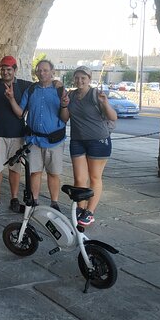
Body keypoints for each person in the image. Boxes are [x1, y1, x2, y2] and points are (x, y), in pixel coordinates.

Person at [5, 59, 68, 210]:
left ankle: (54, 202)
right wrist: (11, 99)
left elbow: (65, 118)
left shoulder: (59, 90)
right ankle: (35, 201)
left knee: (53, 173)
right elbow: (21, 113)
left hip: (55, 140)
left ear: (52, 72)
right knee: (35, 172)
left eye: (45, 70)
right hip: (34, 139)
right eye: (39, 70)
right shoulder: (31, 90)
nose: (42, 73)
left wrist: (65, 105)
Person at [62, 65, 117, 226]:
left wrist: (105, 103)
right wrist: (64, 105)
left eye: (83, 78)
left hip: (98, 141)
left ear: (89, 80)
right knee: (79, 178)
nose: (80, 80)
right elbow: (65, 118)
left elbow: (113, 117)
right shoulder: (71, 95)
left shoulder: (95, 94)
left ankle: (90, 211)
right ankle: (80, 208)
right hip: (78, 140)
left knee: (94, 177)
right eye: (77, 77)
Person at [0, 56, 33, 214]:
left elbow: (43, 85)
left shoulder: (24, 86)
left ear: (15, 70)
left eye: (9, 69)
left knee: (15, 168)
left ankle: (14, 197)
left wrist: (58, 84)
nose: (5, 72)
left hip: (17, 134)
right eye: (3, 69)